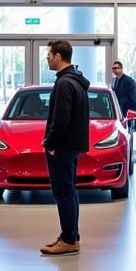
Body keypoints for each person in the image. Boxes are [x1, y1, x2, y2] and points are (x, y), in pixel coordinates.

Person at [41, 39, 90, 256]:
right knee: (69, 191)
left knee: (63, 193)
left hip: (61, 147)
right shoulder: (76, 81)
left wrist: (49, 142)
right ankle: (71, 236)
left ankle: (69, 239)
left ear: (58, 57)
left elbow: (60, 120)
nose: (47, 59)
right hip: (72, 146)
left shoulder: (64, 83)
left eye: (49, 55)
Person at [111, 60, 136, 130]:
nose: (116, 70)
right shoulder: (114, 80)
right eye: (114, 68)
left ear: (121, 69)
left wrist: (130, 117)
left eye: (118, 68)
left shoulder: (130, 81)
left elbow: (134, 99)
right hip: (115, 115)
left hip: (126, 117)